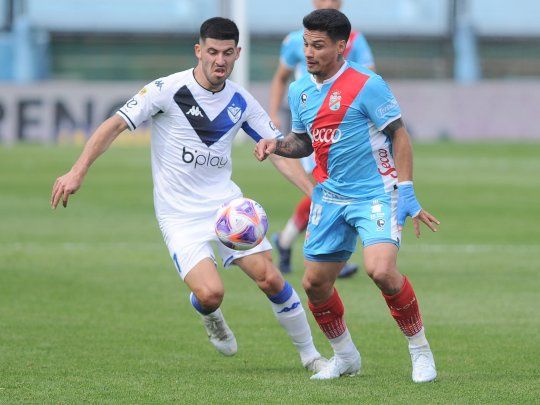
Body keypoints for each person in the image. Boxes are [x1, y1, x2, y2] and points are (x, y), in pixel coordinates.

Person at [50, 17, 328, 374]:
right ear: (199, 51)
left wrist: (313, 193)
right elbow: (115, 124)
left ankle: (310, 356)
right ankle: (211, 316)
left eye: (228, 53)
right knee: (211, 294)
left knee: (270, 278)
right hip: (179, 214)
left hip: (227, 207)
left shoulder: (241, 101)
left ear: (237, 54)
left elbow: (276, 150)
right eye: (212, 52)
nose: (220, 61)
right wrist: (78, 169)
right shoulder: (167, 90)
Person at [255, 9, 440, 382]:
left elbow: (399, 134)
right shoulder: (300, 89)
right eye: (306, 44)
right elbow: (304, 142)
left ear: (341, 47)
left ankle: (420, 352)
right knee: (314, 284)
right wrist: (276, 145)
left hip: (375, 192)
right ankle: (345, 357)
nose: (308, 53)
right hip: (331, 196)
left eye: (318, 46)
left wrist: (406, 189)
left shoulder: (367, 84)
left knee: (381, 270)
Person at [269, 0, 375, 278]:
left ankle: (288, 241)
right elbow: (280, 77)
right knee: (325, 185)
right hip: (313, 122)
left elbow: (370, 77)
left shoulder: (355, 40)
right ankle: (326, 253)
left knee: (329, 186)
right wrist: (274, 113)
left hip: (345, 123)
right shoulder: (296, 41)